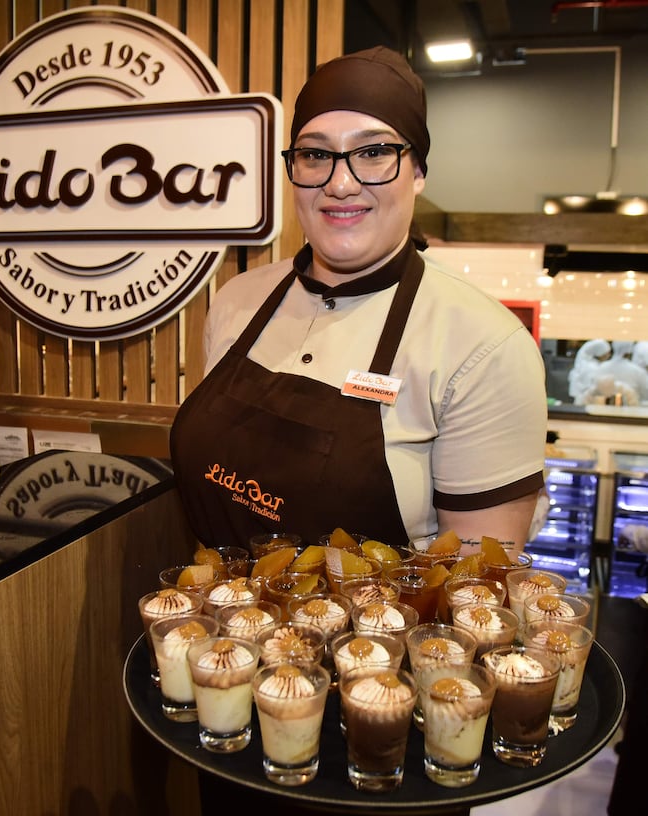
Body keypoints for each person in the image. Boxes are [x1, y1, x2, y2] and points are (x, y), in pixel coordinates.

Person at [169, 46, 548, 557]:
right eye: (315, 154)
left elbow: (475, 589)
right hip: (214, 629)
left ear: (418, 172)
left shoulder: (483, 347)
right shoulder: (236, 302)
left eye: (373, 153)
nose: (340, 183)